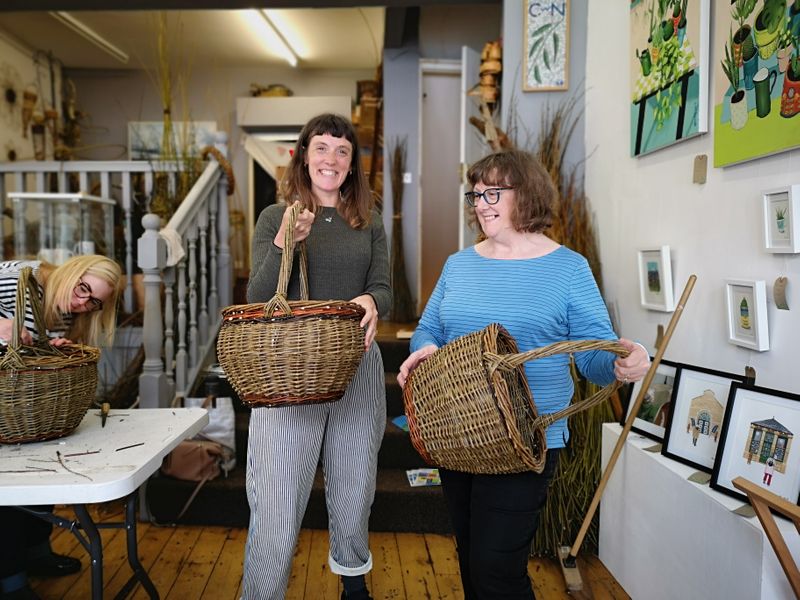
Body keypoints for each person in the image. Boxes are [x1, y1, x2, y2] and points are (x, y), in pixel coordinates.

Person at [397, 149, 650, 600]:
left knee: (497, 568)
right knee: (472, 556)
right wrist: (427, 350)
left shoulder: (568, 269)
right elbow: (429, 328)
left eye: (493, 192)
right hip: (460, 431)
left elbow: (593, 354)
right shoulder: (459, 264)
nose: (481, 203)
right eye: (475, 194)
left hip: (527, 439)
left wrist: (621, 361)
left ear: (527, 193)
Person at [243, 113, 391, 600]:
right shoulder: (275, 216)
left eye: (342, 151)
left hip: (357, 363)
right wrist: (288, 240)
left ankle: (353, 582)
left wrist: (373, 301)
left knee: (355, 484)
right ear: (304, 156)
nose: (332, 159)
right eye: (322, 148)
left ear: (352, 164)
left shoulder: (369, 221)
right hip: (289, 367)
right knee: (277, 494)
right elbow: (259, 296)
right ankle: (263, 592)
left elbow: (384, 288)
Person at [0, 255, 123, 600]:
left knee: (44, 467)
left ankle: (37, 552)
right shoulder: (17, 281)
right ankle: (11, 580)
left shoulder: (66, 308)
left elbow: (30, 354)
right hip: (5, 412)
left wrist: (50, 347)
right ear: (73, 270)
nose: (83, 302)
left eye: (93, 301)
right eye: (83, 288)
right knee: (9, 488)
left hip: (20, 409)